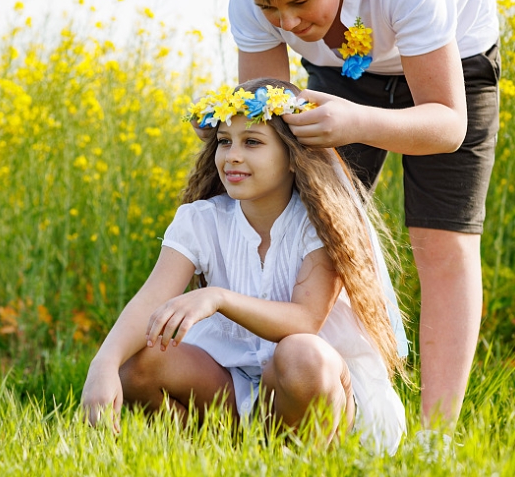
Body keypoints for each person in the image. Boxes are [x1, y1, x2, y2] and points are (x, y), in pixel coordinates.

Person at [228, 0, 500, 434]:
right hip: (339, 79)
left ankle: (436, 437)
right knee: (304, 222)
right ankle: (307, 404)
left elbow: (450, 125)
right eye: (271, 11)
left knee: (443, 245)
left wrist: (359, 122)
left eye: (300, 2)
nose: (287, 23)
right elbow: (263, 123)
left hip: (453, 69)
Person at [81, 78, 407, 454]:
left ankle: (304, 458)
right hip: (229, 380)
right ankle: (225, 452)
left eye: (252, 142)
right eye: (224, 141)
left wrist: (218, 297)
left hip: (310, 384)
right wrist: (103, 363)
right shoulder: (201, 220)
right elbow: (152, 299)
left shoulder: (322, 222)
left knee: (302, 354)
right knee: (137, 361)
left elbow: (304, 321)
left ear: (292, 155)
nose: (232, 155)